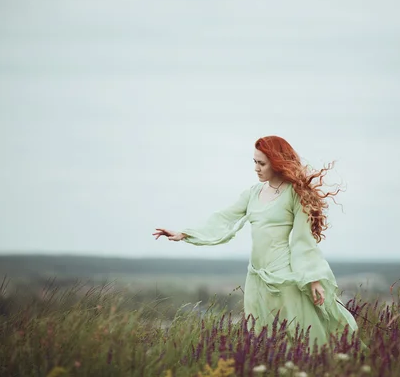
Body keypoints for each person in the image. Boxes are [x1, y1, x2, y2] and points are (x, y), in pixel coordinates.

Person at [153, 135, 362, 349]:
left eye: (261, 163)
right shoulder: (253, 193)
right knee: (261, 339)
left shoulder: (294, 194)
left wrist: (314, 278)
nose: (256, 168)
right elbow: (224, 218)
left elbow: (302, 240)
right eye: (254, 162)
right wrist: (185, 234)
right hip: (255, 278)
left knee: (300, 337)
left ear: (277, 162)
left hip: (284, 278)